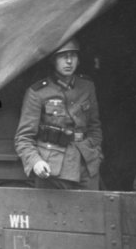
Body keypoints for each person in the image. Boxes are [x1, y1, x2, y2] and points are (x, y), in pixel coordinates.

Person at [14, 38, 103, 190]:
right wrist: (36, 162)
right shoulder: (37, 92)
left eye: (73, 56)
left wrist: (96, 153)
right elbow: (23, 138)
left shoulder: (87, 87)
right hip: (53, 170)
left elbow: (94, 127)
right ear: (53, 60)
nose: (69, 61)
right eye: (63, 56)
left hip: (87, 166)